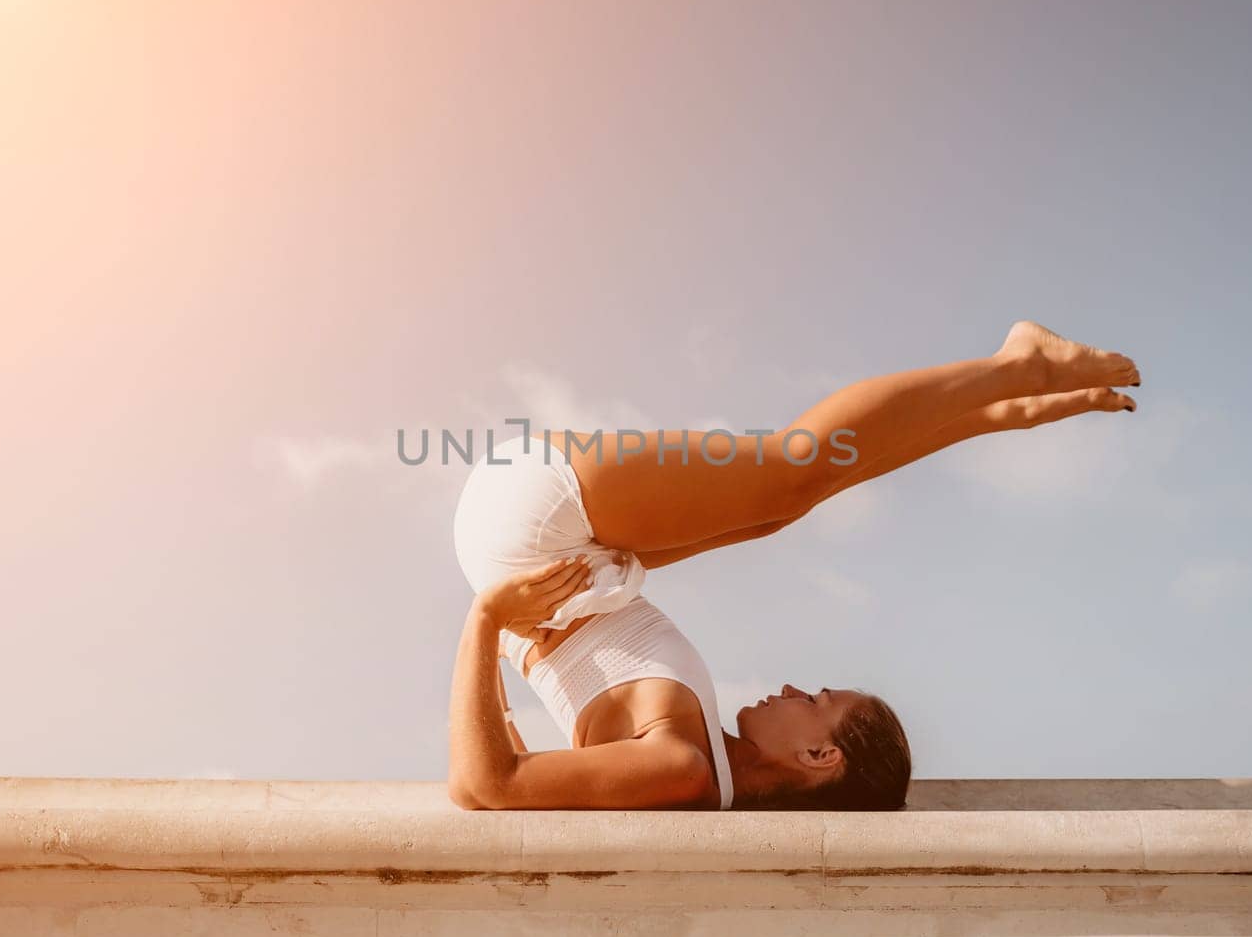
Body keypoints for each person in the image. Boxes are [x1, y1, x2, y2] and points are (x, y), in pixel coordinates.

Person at [447, 321, 1139, 811]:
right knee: (781, 506)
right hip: (555, 548)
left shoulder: (683, 769)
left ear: (820, 756)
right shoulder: (701, 757)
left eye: (815, 700)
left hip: (530, 527)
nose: (790, 686)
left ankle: (1016, 365)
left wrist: (486, 620)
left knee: (790, 469)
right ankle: (995, 409)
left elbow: (489, 784)